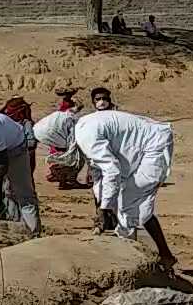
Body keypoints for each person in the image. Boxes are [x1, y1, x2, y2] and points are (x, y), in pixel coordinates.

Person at [34, 108, 177, 267]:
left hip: (153, 147)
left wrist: (105, 208)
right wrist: (101, 202)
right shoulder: (83, 127)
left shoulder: (86, 134)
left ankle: (128, 261)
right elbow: (98, 171)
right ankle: (162, 255)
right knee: (137, 208)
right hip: (143, 148)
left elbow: (111, 170)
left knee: (127, 204)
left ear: (57, 134)